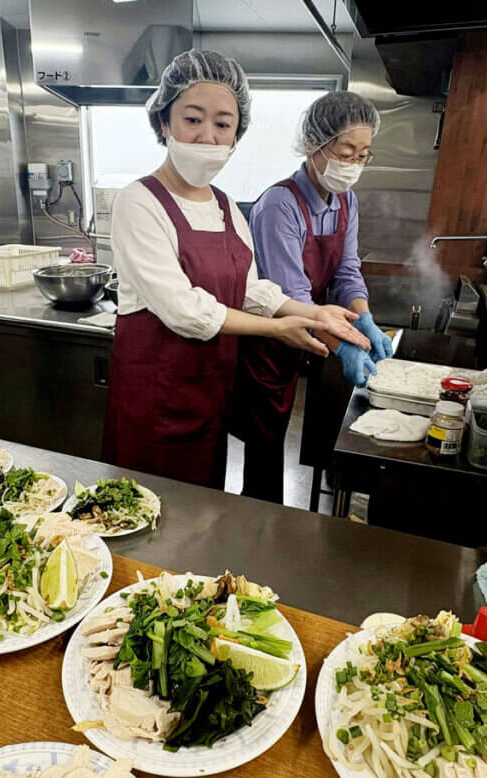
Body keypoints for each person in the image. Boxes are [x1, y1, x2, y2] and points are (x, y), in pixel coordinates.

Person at [103, 50, 369, 490]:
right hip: (153, 399)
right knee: (143, 516)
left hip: (209, 395)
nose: (208, 136)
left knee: (202, 512)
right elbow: (185, 310)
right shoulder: (139, 202)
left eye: (223, 124)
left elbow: (249, 289)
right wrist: (276, 329)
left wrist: (308, 313)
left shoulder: (225, 205)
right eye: (193, 119)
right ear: (164, 123)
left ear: (235, 135)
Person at [234, 91, 392, 503]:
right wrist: (347, 345)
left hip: (313, 330)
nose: (353, 165)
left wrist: (365, 319)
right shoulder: (278, 205)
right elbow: (293, 295)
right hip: (269, 342)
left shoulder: (345, 201)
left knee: (284, 435)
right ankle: (259, 523)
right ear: (313, 144)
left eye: (363, 155)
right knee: (265, 445)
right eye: (346, 152)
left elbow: (346, 272)